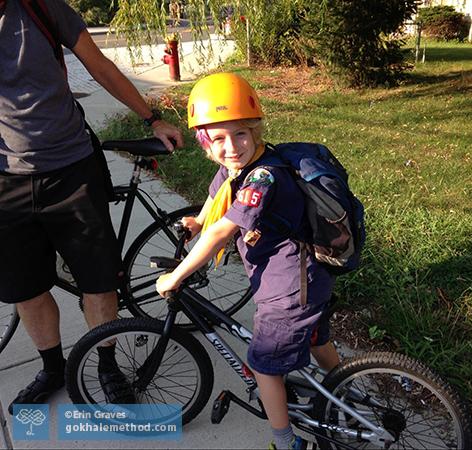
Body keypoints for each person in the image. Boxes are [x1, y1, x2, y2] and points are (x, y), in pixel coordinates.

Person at [0, 0, 183, 414]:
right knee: (27, 290)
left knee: (99, 282)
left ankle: (105, 363)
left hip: (72, 170)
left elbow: (99, 66)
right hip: (5, 183)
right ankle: (52, 368)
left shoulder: (40, 8)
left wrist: (151, 118)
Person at [155, 72, 340, 450]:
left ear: (255, 131)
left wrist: (178, 274)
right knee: (316, 335)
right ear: (205, 143)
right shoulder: (239, 166)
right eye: (218, 138)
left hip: (291, 286)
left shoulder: (264, 178)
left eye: (240, 133)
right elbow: (218, 194)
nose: (231, 147)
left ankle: (285, 441)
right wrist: (197, 222)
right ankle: (345, 385)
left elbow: (223, 231)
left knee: (263, 365)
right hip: (305, 277)